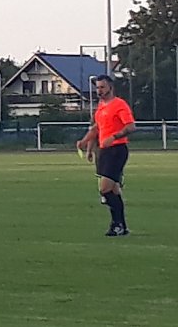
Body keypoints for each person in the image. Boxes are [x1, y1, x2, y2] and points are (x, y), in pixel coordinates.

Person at [76, 75, 136, 237]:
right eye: (97, 87)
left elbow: (131, 126)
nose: (99, 91)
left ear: (110, 87)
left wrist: (115, 137)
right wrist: (84, 141)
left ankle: (116, 224)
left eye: (102, 87)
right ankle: (121, 226)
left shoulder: (119, 105)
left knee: (105, 189)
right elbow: (96, 128)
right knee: (114, 190)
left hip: (117, 150)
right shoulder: (101, 107)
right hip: (104, 151)